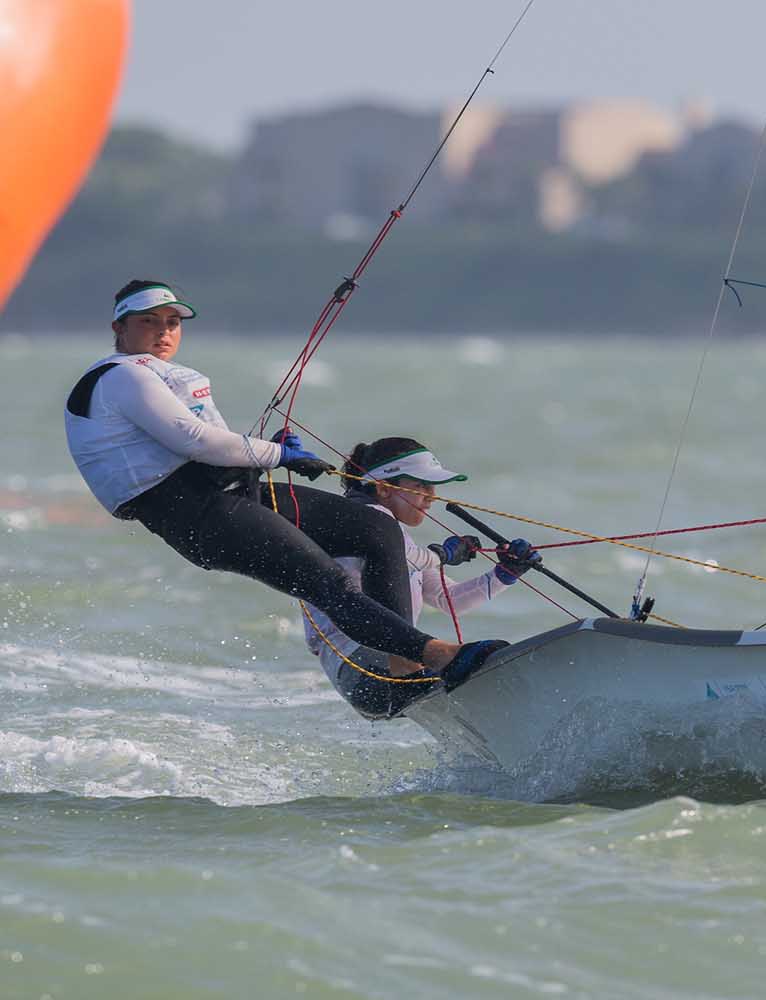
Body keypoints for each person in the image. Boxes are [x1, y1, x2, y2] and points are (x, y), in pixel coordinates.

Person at [63, 278, 505, 685]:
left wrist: (261, 453)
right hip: (195, 513)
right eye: (149, 322)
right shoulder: (122, 376)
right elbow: (193, 439)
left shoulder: (146, 374)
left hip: (229, 494)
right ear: (119, 328)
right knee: (329, 583)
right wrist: (279, 455)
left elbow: (198, 448)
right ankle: (436, 655)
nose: (164, 331)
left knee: (376, 528)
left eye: (173, 322)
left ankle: (402, 661)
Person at [303, 436, 541, 718]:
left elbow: (447, 599)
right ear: (383, 488)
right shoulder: (358, 519)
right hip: (362, 670)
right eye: (420, 485)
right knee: (469, 668)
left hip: (391, 665)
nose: (431, 495)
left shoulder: (395, 538)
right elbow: (415, 557)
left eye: (432, 486)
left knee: (465, 673)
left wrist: (505, 574)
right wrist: (444, 555)